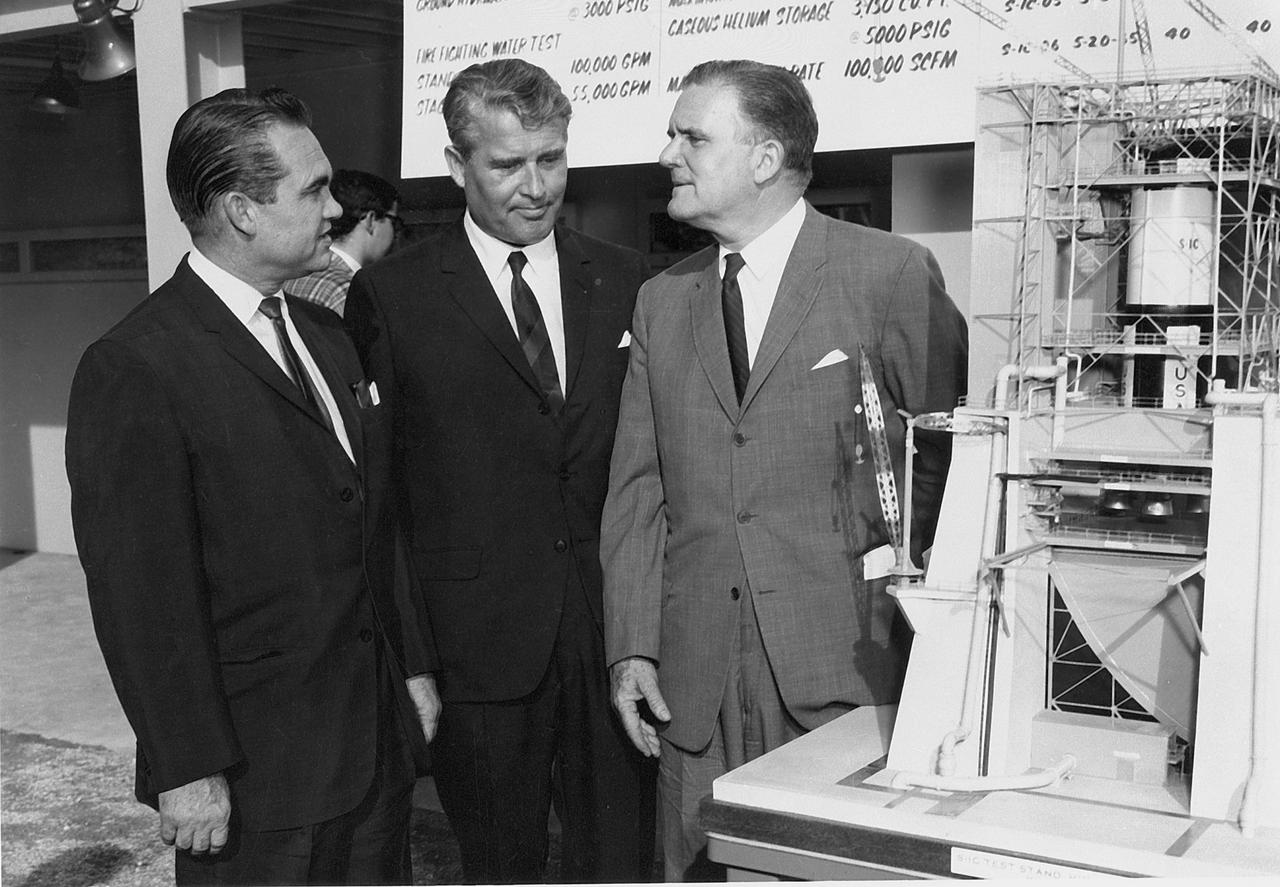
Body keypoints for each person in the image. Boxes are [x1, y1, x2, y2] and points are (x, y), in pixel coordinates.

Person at [600, 59, 969, 880]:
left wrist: (934, 657)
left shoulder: (889, 274)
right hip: (692, 686)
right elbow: (637, 489)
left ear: (764, 158)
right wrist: (631, 646)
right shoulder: (663, 300)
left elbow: (945, 471)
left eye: (692, 136)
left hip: (839, 675)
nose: (668, 154)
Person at [65, 87, 434, 886]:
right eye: (313, 190)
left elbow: (372, 521)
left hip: (371, 754)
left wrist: (413, 672)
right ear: (240, 209)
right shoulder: (137, 366)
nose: (335, 208)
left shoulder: (330, 335)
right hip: (254, 779)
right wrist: (187, 764)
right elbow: (140, 595)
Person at [344, 58, 655, 884]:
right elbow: (387, 499)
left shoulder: (629, 279)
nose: (535, 186)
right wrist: (412, 659)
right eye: (507, 163)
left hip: (610, 638)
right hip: (475, 652)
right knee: (500, 865)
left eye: (550, 159)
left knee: (621, 860)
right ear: (456, 166)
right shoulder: (391, 296)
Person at [285, 168, 402, 316]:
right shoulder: (350, 289)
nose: (397, 233)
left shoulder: (293, 278)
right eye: (394, 222)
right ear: (371, 220)